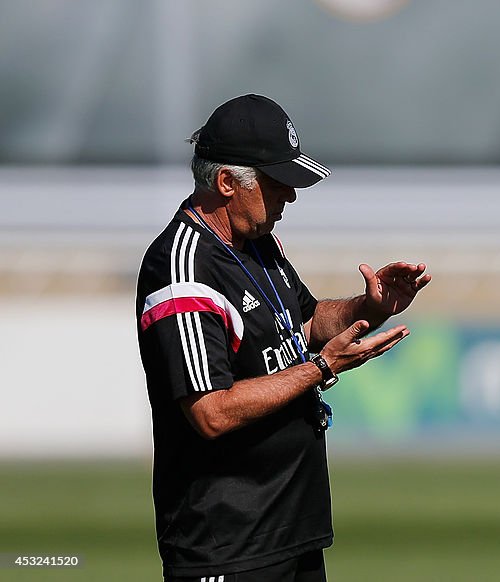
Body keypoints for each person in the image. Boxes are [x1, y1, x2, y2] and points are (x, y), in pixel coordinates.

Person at [135, 94, 431, 581]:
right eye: (277, 184)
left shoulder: (258, 245)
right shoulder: (182, 267)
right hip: (228, 546)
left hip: (292, 533)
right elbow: (211, 412)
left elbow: (309, 322)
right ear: (227, 183)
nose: (289, 196)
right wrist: (320, 369)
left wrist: (370, 307)